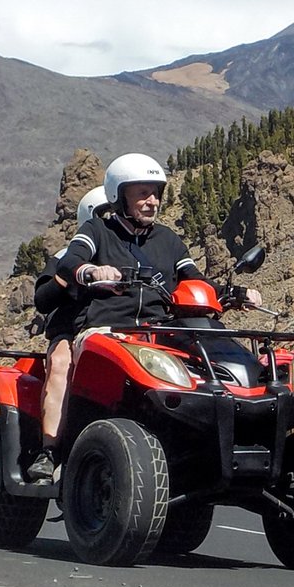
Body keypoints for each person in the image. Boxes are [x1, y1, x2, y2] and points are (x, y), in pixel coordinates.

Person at [31, 154, 262, 481]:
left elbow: (193, 278)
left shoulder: (168, 240)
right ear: (119, 196)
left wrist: (234, 293)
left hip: (160, 331)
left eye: (156, 193)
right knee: (60, 364)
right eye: (142, 193)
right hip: (106, 330)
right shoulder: (96, 230)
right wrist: (91, 270)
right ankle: (50, 451)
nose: (152, 201)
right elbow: (71, 262)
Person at [25, 184, 109, 482]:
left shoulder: (132, 252)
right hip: (73, 333)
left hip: (122, 333)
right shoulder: (67, 255)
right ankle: (49, 451)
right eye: (105, 213)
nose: (111, 217)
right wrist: (69, 274)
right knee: (60, 363)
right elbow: (44, 299)